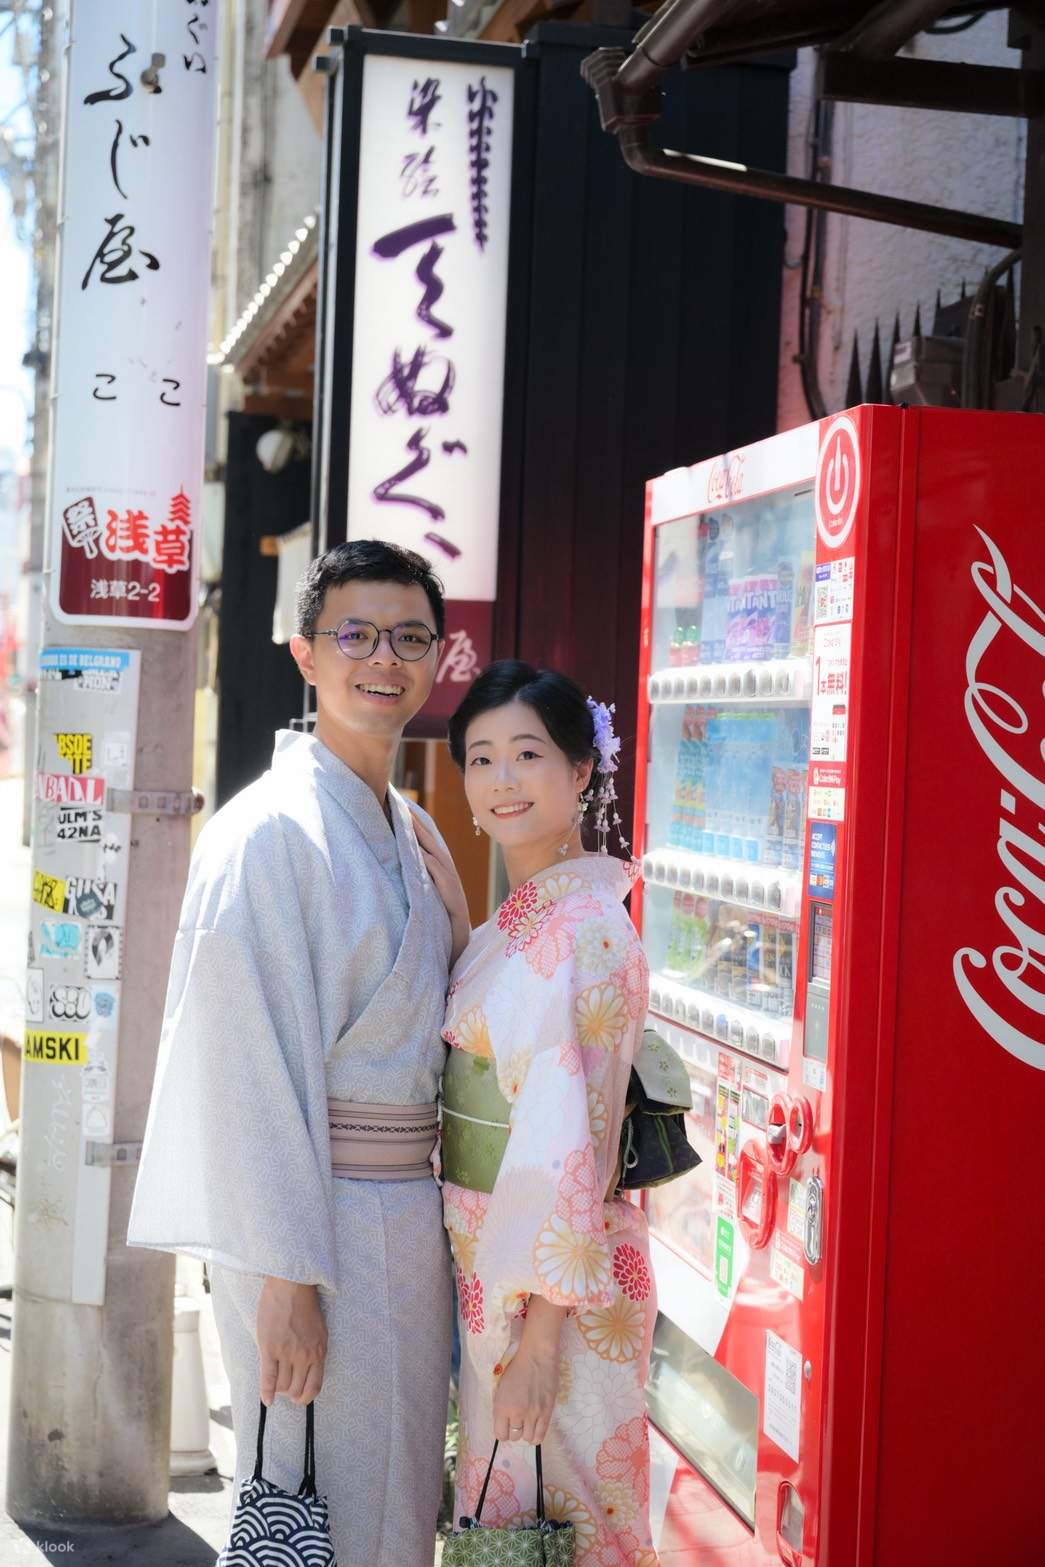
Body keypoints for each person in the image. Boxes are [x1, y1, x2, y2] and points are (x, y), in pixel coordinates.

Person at [128, 539, 471, 1566]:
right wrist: (285, 1277)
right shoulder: (268, 833)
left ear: (439, 656)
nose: (384, 657)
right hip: (310, 1222)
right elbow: (242, 1067)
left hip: (402, 1212)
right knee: (323, 1500)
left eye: (410, 636)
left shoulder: (407, 826)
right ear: (305, 654)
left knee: (387, 1500)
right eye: (355, 633)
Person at [435, 661, 660, 1567]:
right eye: (481, 758)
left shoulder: (589, 930)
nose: (501, 779)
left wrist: (538, 1341)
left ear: (578, 772)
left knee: (564, 1527)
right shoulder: (521, 919)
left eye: (527, 753)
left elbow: (571, 1139)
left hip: (556, 1293)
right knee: (510, 1527)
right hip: (497, 1265)